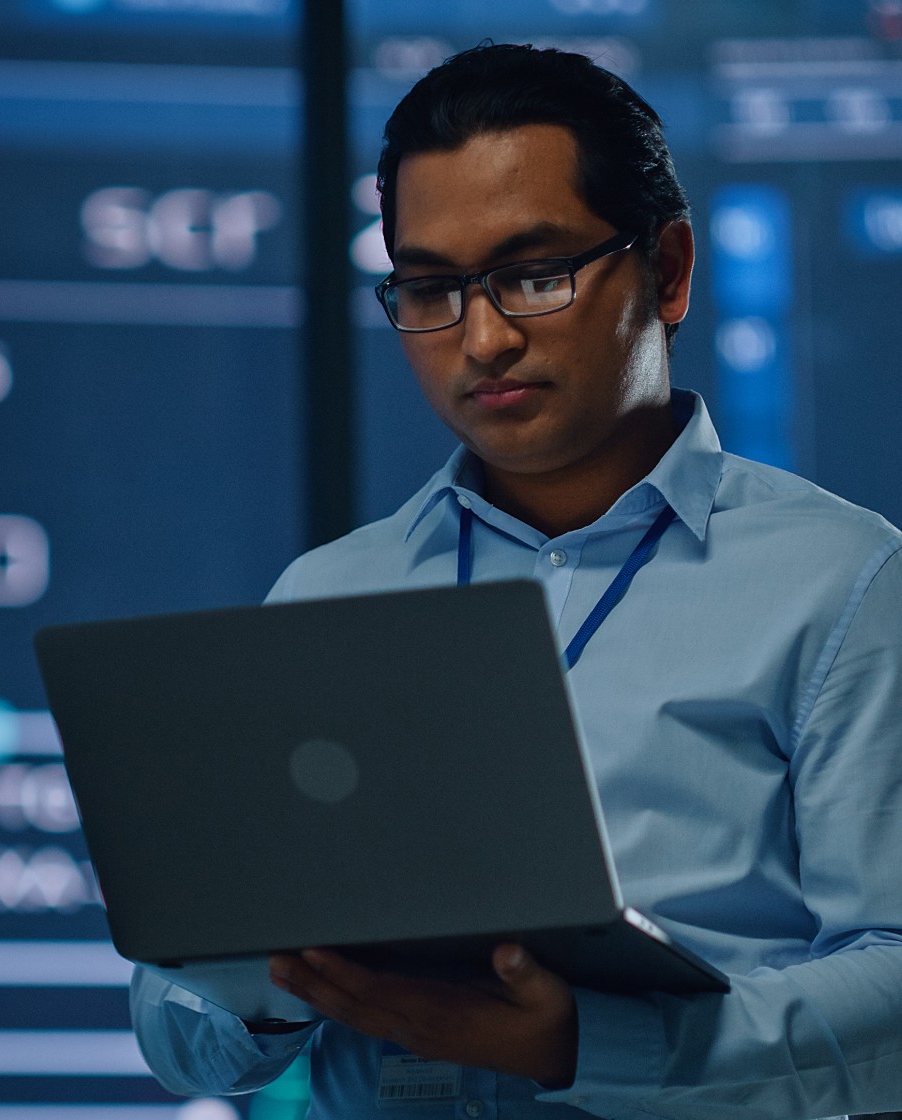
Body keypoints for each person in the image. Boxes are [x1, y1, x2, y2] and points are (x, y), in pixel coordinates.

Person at [130, 42, 902, 1118]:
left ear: (669, 271)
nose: (483, 339)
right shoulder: (327, 597)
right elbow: (180, 1035)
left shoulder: (847, 583)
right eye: (433, 288)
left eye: (535, 275)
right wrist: (263, 987)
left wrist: (593, 1044)